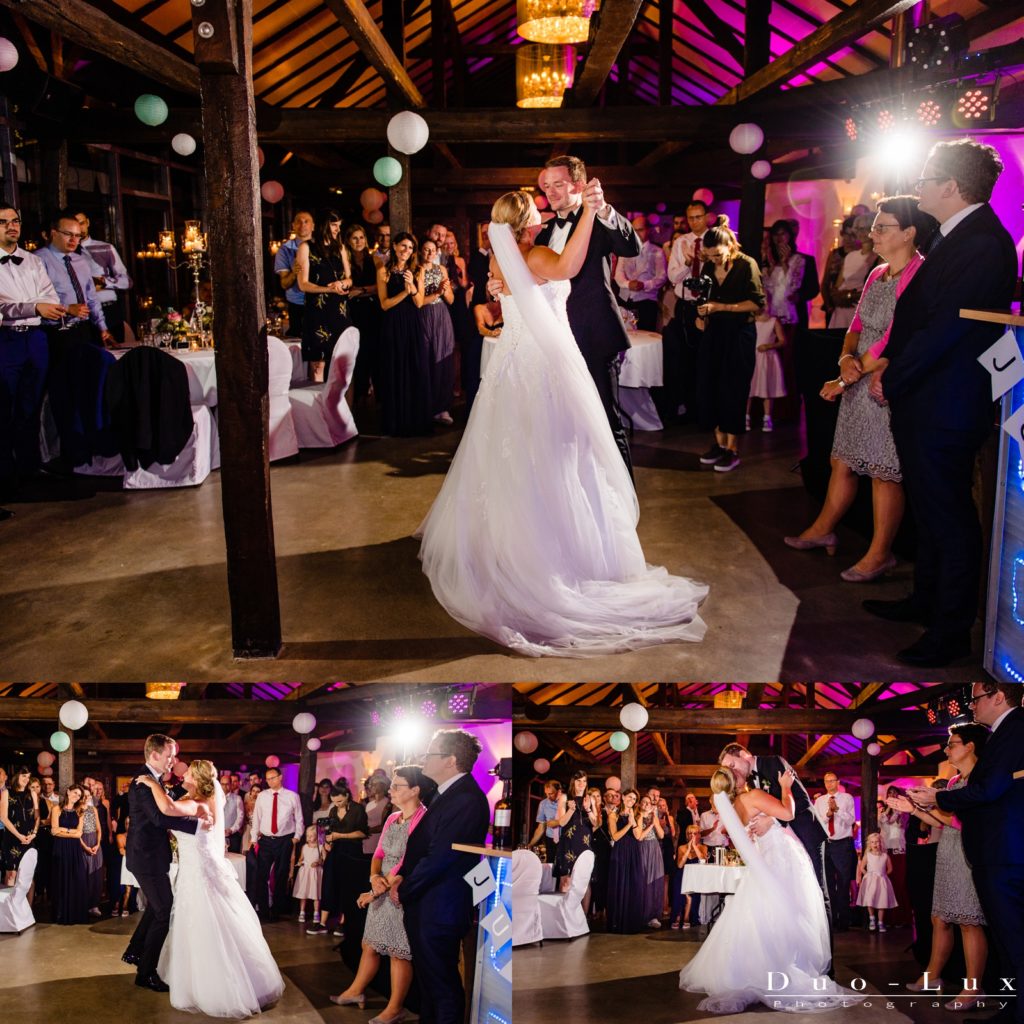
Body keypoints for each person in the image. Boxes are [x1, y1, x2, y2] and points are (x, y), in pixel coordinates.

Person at [417, 189, 708, 656]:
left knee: (520, 460)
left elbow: (509, 299)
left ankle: (507, 550)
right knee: (556, 456)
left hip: (514, 366)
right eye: (536, 206)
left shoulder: (499, 258)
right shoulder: (533, 252)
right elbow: (570, 267)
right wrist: (590, 211)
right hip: (542, 368)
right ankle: (551, 562)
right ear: (526, 218)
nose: (543, 209)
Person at [867, 140, 1019, 666]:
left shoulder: (981, 242)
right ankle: (925, 599)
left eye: (928, 176)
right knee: (931, 513)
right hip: (931, 397)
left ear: (952, 187)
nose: (919, 185)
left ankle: (949, 630)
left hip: (947, 401)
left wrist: (893, 373)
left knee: (949, 516)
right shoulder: (957, 236)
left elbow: (947, 329)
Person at [785, 196, 936, 582]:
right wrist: (844, 360)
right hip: (857, 373)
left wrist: (849, 375)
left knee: (885, 470)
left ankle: (880, 553)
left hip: (886, 379)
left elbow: (894, 336)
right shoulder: (876, 272)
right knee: (844, 460)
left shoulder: (919, 275)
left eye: (882, 227)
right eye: (874, 227)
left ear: (909, 233)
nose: (873, 234)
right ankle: (824, 530)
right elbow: (855, 327)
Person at [679, 767, 853, 1014]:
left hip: (765, 857)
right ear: (738, 779)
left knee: (763, 913)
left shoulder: (735, 806)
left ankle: (758, 968)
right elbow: (789, 813)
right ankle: (785, 965)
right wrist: (784, 787)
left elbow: (738, 836)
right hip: (783, 855)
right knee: (791, 911)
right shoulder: (752, 796)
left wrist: (761, 824)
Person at [134, 760, 285, 1017]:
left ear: (198, 779)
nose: (184, 774)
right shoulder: (200, 801)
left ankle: (214, 986)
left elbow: (166, 808)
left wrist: (150, 783)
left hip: (197, 874)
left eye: (189, 773)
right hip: (196, 870)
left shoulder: (200, 804)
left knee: (202, 926)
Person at [910, 683, 1024, 1024]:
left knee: (1011, 938)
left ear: (998, 697)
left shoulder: (1015, 728)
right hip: (996, 849)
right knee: (1006, 939)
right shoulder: (1007, 731)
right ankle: (1011, 1009)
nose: (970, 705)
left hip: (1004, 849)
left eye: (975, 699)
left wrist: (938, 799)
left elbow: (990, 789)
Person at [533, 155, 640, 473]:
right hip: (553, 338)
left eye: (558, 185)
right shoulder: (545, 230)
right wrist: (499, 283)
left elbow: (631, 247)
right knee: (562, 423)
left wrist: (605, 209)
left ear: (578, 185)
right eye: (546, 186)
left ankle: (622, 508)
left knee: (605, 421)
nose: (550, 192)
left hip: (592, 332)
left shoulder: (598, 219)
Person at [390, 729, 489, 1024]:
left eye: (430, 754)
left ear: (451, 760)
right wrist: (402, 877)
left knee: (442, 985)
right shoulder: (445, 794)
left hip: (441, 906)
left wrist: (404, 887)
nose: (423, 760)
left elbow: (440, 857)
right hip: (429, 903)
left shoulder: (466, 798)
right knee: (430, 985)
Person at [330, 764, 436, 1023]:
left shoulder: (424, 819)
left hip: (401, 889)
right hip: (381, 885)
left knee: (399, 952)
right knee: (370, 944)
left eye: (397, 786)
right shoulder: (391, 818)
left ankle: (395, 1008)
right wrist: (373, 878)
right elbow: (379, 854)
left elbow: (407, 861)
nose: (391, 790)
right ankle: (356, 991)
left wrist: (377, 891)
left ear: (415, 790)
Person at [896, 723, 989, 1012]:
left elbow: (964, 823)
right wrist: (914, 809)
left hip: (967, 854)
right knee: (939, 918)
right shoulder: (952, 782)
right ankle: (932, 977)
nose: (947, 749)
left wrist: (932, 802)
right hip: (948, 851)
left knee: (968, 921)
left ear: (970, 746)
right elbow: (944, 824)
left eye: (952, 744)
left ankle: (973, 989)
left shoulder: (980, 779)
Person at [718, 742, 832, 959]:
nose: (732, 770)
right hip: (784, 844)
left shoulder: (773, 762)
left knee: (818, 895)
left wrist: (771, 819)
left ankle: (826, 963)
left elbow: (801, 802)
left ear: (744, 754)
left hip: (807, 835)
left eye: (732, 764)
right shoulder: (750, 780)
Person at [122, 735, 208, 992]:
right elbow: (160, 818)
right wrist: (200, 826)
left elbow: (167, 797)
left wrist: (185, 787)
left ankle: (136, 952)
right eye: (170, 756)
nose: (173, 761)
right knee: (163, 911)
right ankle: (146, 972)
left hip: (153, 856)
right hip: (145, 857)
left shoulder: (154, 780)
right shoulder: (141, 784)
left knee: (157, 907)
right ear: (155, 754)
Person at [0, 205, 62, 509]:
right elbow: (3, 307)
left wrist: (39, 306)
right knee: (4, 409)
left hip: (36, 339)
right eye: (3, 222)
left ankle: (28, 471)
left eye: (15, 221)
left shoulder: (33, 260)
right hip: (5, 340)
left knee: (31, 407)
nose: (12, 227)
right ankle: (5, 478)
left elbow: (50, 296)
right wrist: (32, 307)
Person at [694, 216, 766, 473]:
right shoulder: (708, 268)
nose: (715, 260)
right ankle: (719, 444)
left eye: (719, 255)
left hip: (739, 334)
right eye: (711, 256)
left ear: (731, 246)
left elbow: (757, 303)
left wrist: (722, 307)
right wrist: (700, 315)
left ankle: (733, 449)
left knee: (733, 389)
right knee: (710, 387)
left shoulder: (747, 265)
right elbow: (703, 298)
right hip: (715, 334)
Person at [376, 231, 431, 437]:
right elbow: (384, 304)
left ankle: (415, 421)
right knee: (394, 369)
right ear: (395, 246)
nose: (406, 251)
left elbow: (418, 303)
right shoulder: (384, 270)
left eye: (410, 248)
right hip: (392, 325)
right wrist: (404, 292)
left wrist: (413, 287)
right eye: (403, 246)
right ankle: (395, 422)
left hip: (413, 325)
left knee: (414, 368)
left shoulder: (417, 270)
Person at [295, 209, 353, 383]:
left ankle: (339, 406)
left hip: (340, 310)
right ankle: (319, 408)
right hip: (317, 310)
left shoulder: (340, 248)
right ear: (324, 225)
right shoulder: (306, 247)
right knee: (318, 365)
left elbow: (350, 279)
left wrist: (342, 284)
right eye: (334, 225)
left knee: (341, 363)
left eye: (339, 226)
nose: (337, 229)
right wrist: (329, 289)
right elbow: (302, 284)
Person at [307, 782, 368, 936]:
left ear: (347, 795)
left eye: (340, 801)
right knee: (328, 885)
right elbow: (329, 831)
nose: (337, 804)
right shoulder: (333, 810)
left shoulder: (358, 809)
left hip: (352, 853)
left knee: (348, 887)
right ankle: (322, 923)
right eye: (334, 801)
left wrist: (340, 836)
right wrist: (327, 842)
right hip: (335, 852)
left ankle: (343, 923)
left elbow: (362, 833)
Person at [251, 764, 304, 923]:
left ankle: (277, 910)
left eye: (272, 778)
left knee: (281, 875)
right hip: (266, 840)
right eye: (267, 779)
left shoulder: (292, 796)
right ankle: (264, 911)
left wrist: (296, 838)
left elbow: (299, 819)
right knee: (262, 876)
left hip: (284, 840)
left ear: (280, 777)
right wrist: (254, 839)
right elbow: (256, 818)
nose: (269, 781)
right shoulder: (262, 796)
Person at [415, 238, 456, 425]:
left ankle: (443, 407)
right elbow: (420, 301)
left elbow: (451, 300)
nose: (430, 253)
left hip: (442, 315)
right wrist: (438, 292)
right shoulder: (417, 270)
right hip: (424, 315)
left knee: (444, 358)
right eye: (426, 249)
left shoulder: (442, 270)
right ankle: (427, 407)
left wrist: (445, 291)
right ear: (420, 251)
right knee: (427, 359)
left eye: (433, 250)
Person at [74, 211, 132, 346]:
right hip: (83, 314)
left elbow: (127, 281)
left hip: (110, 311)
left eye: (82, 223)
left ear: (87, 223)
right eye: (75, 224)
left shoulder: (105, 248)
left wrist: (103, 282)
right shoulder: (67, 252)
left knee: (117, 356)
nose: (79, 228)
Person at [814, 771, 856, 932]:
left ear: (838, 782)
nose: (829, 784)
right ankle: (831, 920)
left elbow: (851, 820)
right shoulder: (819, 801)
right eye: (826, 781)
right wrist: (828, 814)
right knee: (828, 883)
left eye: (832, 780)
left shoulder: (847, 798)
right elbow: (818, 822)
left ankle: (844, 920)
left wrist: (837, 810)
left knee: (844, 882)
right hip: (827, 844)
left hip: (843, 844)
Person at [346, 223, 383, 401]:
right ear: (348, 241)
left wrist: (360, 290)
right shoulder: (344, 259)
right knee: (357, 353)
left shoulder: (374, 259)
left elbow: (380, 287)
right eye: (354, 238)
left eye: (361, 238)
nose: (359, 241)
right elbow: (346, 287)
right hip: (353, 311)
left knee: (374, 352)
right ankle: (359, 394)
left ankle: (377, 394)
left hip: (372, 310)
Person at [614, 214, 667, 331]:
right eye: (634, 230)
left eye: (640, 230)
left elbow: (662, 277)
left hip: (646, 302)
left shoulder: (657, 251)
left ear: (648, 230)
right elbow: (618, 274)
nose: (636, 233)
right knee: (625, 336)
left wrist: (644, 285)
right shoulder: (624, 249)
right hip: (625, 300)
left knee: (646, 335)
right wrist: (627, 284)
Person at [605, 789, 646, 933]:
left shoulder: (638, 814)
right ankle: (617, 922)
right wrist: (628, 824)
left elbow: (638, 836)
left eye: (634, 799)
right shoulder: (613, 814)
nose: (632, 800)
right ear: (622, 797)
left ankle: (631, 922)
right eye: (629, 797)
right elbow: (615, 837)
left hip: (634, 852)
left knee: (634, 883)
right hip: (620, 851)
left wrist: (633, 821)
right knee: (619, 883)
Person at [827, 216, 878, 329]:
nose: (862, 232)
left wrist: (850, 296)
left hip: (859, 306)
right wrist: (836, 297)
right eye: (859, 229)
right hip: (842, 307)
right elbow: (838, 284)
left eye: (866, 228)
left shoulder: (877, 257)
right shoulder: (850, 256)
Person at [552, 770, 599, 891]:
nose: (582, 784)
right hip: (569, 842)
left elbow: (596, 823)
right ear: (573, 782)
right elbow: (562, 822)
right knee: (566, 879)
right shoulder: (565, 797)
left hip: (585, 843)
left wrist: (588, 809)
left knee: (585, 881)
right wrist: (571, 810)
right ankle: (565, 910)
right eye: (579, 781)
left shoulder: (590, 799)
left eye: (584, 781)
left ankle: (583, 911)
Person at [50, 782, 88, 925]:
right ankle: (61, 915)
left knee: (75, 878)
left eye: (79, 795)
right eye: (75, 793)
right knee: (61, 879)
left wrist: (63, 830)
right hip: (60, 848)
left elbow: (79, 834)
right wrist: (70, 832)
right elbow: (54, 831)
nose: (76, 797)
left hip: (75, 849)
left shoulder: (80, 811)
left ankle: (75, 914)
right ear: (68, 792)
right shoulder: (56, 809)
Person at [274, 209, 314, 337]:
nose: (302, 225)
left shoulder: (320, 247)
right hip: (297, 305)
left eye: (306, 222)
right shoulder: (285, 249)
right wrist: (295, 272)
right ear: (293, 226)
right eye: (299, 222)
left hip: (319, 301)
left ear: (313, 226)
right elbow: (284, 284)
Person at [746, 311, 786, 432]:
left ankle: (767, 417)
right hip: (752, 357)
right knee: (749, 388)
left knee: (766, 388)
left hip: (767, 358)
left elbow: (782, 341)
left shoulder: (773, 321)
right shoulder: (750, 320)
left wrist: (768, 346)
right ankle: (746, 417)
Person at [1, 765, 37, 885]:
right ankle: (8, 904)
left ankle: (26, 904)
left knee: (28, 876)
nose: (27, 779)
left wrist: (34, 834)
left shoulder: (32, 793)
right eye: (24, 776)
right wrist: (19, 836)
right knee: (11, 875)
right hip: (12, 838)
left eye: (28, 776)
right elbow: (3, 818)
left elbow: (37, 817)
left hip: (29, 838)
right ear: (17, 776)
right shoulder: (7, 792)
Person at [635, 794, 665, 928]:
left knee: (655, 880)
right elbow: (640, 837)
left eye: (649, 802)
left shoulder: (654, 816)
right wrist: (651, 824)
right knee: (643, 880)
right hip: (642, 848)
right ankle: (642, 914)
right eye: (644, 802)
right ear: (640, 804)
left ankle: (654, 916)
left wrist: (655, 821)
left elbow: (661, 835)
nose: (647, 804)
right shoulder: (638, 816)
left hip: (654, 848)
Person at [855, 832, 896, 931]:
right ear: (870, 844)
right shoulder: (868, 855)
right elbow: (861, 867)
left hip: (881, 880)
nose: (875, 844)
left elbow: (890, 869)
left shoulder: (885, 856)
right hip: (870, 881)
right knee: (870, 899)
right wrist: (867, 874)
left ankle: (881, 922)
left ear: (880, 843)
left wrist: (883, 874)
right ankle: (872, 918)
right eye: (873, 842)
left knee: (882, 901)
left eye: (877, 842)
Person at [670, 824, 707, 929]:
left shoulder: (703, 847)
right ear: (687, 835)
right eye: (690, 834)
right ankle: (677, 917)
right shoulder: (681, 847)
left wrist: (694, 847)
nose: (692, 836)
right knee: (680, 892)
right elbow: (680, 865)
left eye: (695, 833)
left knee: (690, 896)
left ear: (699, 835)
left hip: (695, 876)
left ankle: (686, 917)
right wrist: (687, 850)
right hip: (682, 874)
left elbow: (703, 861)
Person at [291, 824, 323, 924]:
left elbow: (322, 860)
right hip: (305, 872)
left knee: (316, 894)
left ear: (317, 836)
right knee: (303, 894)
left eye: (311, 836)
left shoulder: (320, 847)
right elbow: (301, 858)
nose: (308, 838)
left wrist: (317, 863)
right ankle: (302, 912)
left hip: (315, 873)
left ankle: (316, 913)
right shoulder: (304, 847)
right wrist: (300, 862)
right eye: (307, 836)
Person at [527, 779, 561, 862]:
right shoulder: (543, 804)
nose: (548, 797)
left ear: (558, 791)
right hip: (550, 839)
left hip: (565, 839)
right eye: (546, 794)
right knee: (550, 864)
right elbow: (541, 827)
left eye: (551, 794)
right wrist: (531, 844)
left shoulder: (566, 802)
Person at [223, 772, 245, 854]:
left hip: (233, 836)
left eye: (227, 784)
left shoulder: (237, 798)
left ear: (231, 784)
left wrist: (231, 830)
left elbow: (240, 817)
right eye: (222, 784)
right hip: (217, 835)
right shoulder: (215, 799)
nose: (225, 786)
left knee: (233, 860)